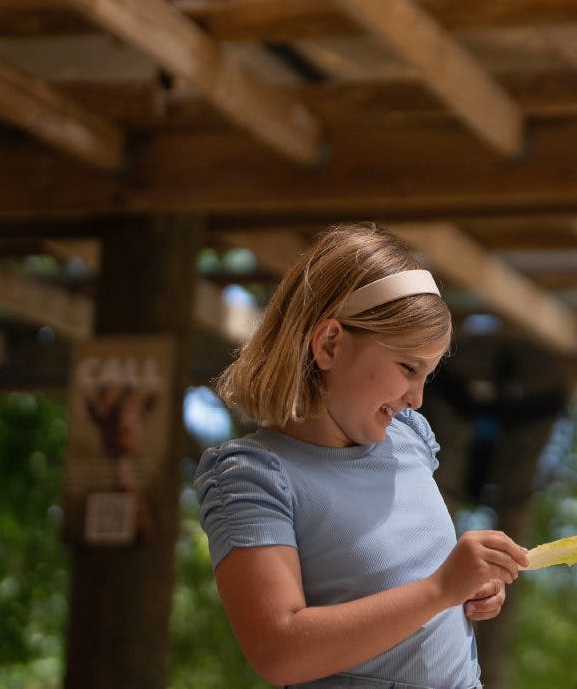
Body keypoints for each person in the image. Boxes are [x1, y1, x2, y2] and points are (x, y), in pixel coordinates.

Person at [196, 223, 529, 688]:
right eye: (408, 367)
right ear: (330, 343)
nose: (415, 398)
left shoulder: (410, 439)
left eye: (427, 375)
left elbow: (413, 583)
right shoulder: (254, 477)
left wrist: (468, 590)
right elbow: (277, 651)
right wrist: (439, 590)